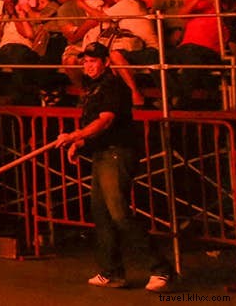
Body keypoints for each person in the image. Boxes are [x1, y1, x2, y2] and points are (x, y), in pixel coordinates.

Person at [55, 43, 171, 291]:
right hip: (102, 153)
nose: (88, 65)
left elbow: (105, 122)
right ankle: (112, 272)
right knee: (102, 214)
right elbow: (96, 126)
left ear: (106, 62)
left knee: (119, 213)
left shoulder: (113, 86)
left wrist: (75, 136)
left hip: (117, 154)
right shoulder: (93, 87)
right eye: (85, 61)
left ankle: (161, 269)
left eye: (94, 61)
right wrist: (81, 142)